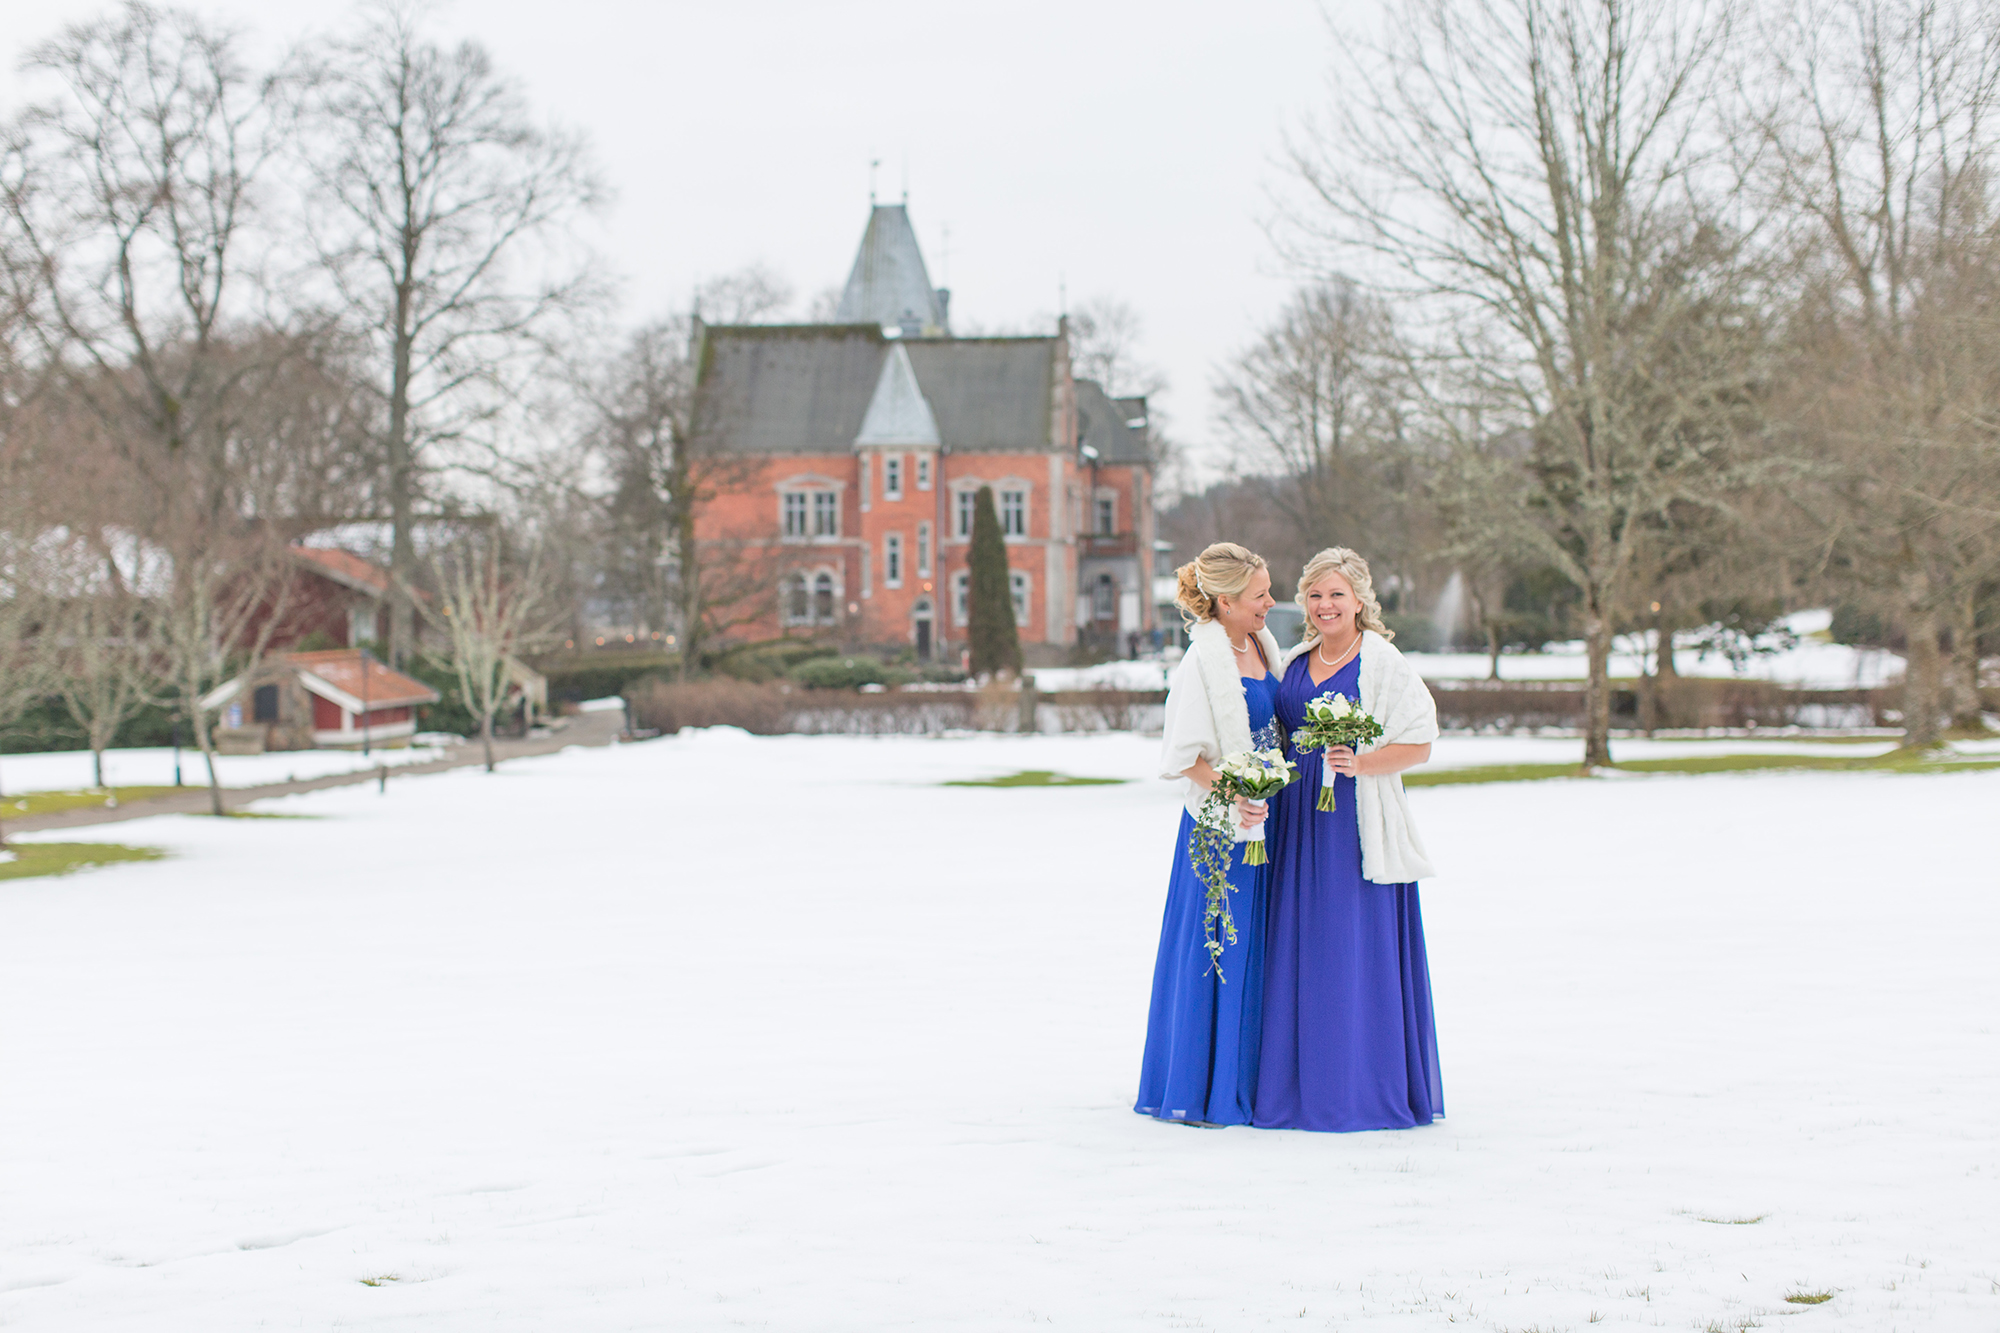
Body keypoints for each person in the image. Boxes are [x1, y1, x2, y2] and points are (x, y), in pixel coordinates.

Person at [1254, 547, 1445, 1132]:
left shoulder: (1382, 663)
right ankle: (1294, 1084)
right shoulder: (1295, 660)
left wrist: (1361, 762)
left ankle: (1357, 1086)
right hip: (1293, 820)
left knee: (1347, 947)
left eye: (1336, 594)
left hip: (1351, 825)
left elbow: (1421, 744)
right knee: (1296, 944)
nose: (1324, 605)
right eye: (1314, 595)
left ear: (1359, 599)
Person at [1135, 542, 1284, 1127]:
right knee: (1214, 948)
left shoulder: (1260, 647)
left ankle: (1248, 1075)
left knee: (1256, 950)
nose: (1271, 602)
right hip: (1220, 831)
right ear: (1225, 602)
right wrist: (1234, 792)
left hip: (1266, 825)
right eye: (1260, 595)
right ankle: (1201, 1086)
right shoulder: (1202, 662)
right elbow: (1182, 756)